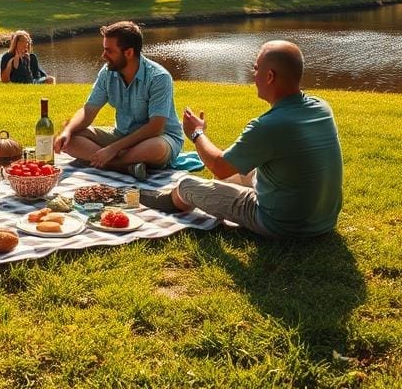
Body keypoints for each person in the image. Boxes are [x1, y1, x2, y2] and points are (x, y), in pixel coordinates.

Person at [169, 40, 343, 238]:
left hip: (281, 224)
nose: (253, 75)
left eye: (256, 68)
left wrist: (196, 133)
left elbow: (219, 165)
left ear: (270, 76)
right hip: (324, 221)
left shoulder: (268, 126)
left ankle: (162, 200)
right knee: (233, 171)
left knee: (186, 186)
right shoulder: (322, 108)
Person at [53, 21, 183, 181]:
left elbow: (155, 128)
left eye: (109, 51)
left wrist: (112, 149)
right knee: (71, 138)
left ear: (128, 52)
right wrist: (67, 132)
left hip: (159, 137)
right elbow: (88, 110)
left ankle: (112, 161)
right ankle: (125, 166)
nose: (103, 55)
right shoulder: (107, 72)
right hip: (122, 135)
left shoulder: (159, 78)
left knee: (156, 148)